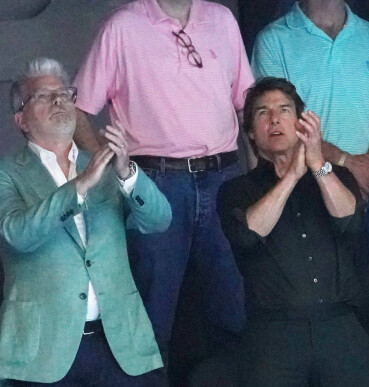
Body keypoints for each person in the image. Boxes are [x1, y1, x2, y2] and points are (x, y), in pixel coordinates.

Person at [72, 0, 254, 374]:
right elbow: (78, 110)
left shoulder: (220, 18)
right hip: (156, 182)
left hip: (225, 177)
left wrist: (257, 176)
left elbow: (246, 107)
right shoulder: (123, 26)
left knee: (236, 309)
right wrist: (109, 168)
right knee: (151, 319)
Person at [251, 0, 369, 380]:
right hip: (311, 199)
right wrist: (346, 163)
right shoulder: (275, 39)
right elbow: (280, 125)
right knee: (332, 325)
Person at [0, 58, 172, 385]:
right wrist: (78, 186)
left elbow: (160, 220)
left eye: (64, 93)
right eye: (43, 95)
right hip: (44, 354)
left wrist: (128, 174)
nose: (58, 101)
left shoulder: (105, 166)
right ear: (21, 120)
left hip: (119, 344)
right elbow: (16, 234)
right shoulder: (7, 172)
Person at [217, 77, 369, 386]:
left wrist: (318, 165)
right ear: (251, 131)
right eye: (262, 112)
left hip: (341, 328)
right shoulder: (235, 190)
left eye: (284, 110)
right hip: (274, 336)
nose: (274, 118)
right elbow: (248, 234)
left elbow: (349, 220)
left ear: (302, 124)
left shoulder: (337, 176)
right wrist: (291, 176)